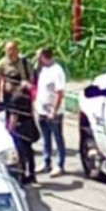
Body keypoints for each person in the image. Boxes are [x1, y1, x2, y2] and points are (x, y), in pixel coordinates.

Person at [34, 48, 67, 177]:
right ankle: (46, 162)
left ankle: (60, 164)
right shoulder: (43, 70)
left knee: (58, 138)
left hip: (53, 112)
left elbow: (60, 92)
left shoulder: (57, 71)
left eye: (38, 57)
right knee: (46, 138)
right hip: (42, 110)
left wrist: (54, 110)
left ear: (44, 56)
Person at [7, 80, 38, 184]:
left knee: (21, 153)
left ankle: (23, 175)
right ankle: (32, 174)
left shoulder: (16, 98)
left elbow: (14, 116)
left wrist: (10, 130)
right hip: (29, 126)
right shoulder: (27, 98)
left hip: (20, 129)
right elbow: (32, 112)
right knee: (29, 152)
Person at [0, 41, 33, 118]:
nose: (11, 52)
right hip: (10, 98)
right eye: (8, 49)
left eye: (13, 49)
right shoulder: (2, 64)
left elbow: (32, 78)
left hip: (24, 96)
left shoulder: (25, 62)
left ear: (17, 50)